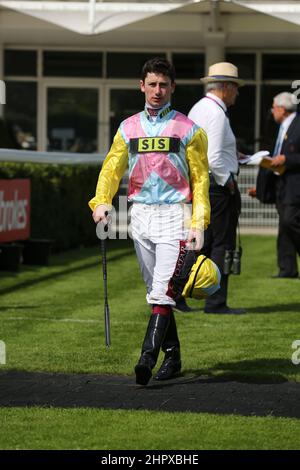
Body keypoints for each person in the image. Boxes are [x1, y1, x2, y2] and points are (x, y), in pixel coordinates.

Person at [89, 58, 210, 385]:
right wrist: (101, 201)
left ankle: (147, 358)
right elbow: (112, 169)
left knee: (162, 289)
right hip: (139, 214)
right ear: (142, 86)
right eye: (152, 84)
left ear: (173, 87)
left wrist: (199, 222)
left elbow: (200, 179)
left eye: (163, 85)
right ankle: (173, 357)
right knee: (157, 290)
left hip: (176, 216)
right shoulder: (127, 128)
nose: (158, 91)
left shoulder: (189, 129)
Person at [188, 62, 246, 314]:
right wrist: (228, 181)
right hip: (217, 185)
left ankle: (179, 293)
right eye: (235, 87)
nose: (237, 93)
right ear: (225, 87)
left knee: (202, 242)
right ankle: (216, 301)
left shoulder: (198, 109)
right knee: (222, 243)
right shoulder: (217, 114)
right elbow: (215, 158)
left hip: (201, 183)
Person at [249, 92, 300, 278]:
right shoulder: (281, 128)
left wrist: (287, 158)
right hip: (280, 185)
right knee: (284, 226)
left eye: (273, 107)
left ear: (282, 108)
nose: (272, 111)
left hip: (295, 186)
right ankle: (287, 269)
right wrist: (261, 188)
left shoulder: (298, 125)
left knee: (290, 221)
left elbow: (288, 156)